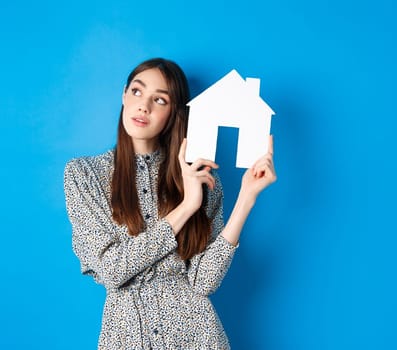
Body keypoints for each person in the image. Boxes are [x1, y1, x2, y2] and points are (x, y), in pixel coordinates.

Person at [63, 58, 276, 349]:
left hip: (198, 337)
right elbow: (112, 270)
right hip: (126, 337)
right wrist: (187, 206)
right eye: (137, 92)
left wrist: (246, 197)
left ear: (173, 113)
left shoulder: (199, 178)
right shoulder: (84, 175)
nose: (144, 106)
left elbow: (203, 282)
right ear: (124, 95)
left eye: (159, 100)